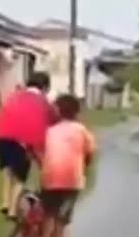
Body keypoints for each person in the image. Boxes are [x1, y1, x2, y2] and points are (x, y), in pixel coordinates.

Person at [0, 72, 57, 221]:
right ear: (45, 87)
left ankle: (5, 203)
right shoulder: (43, 101)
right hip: (22, 141)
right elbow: (53, 120)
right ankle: (13, 211)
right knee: (21, 176)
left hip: (1, 136)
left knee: (8, 170)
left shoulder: (14, 95)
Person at [40, 94, 96, 237]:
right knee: (62, 219)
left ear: (57, 111)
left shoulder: (49, 131)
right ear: (77, 112)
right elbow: (90, 152)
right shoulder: (81, 130)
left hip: (50, 178)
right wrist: (85, 168)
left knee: (48, 215)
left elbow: (43, 151)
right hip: (72, 180)